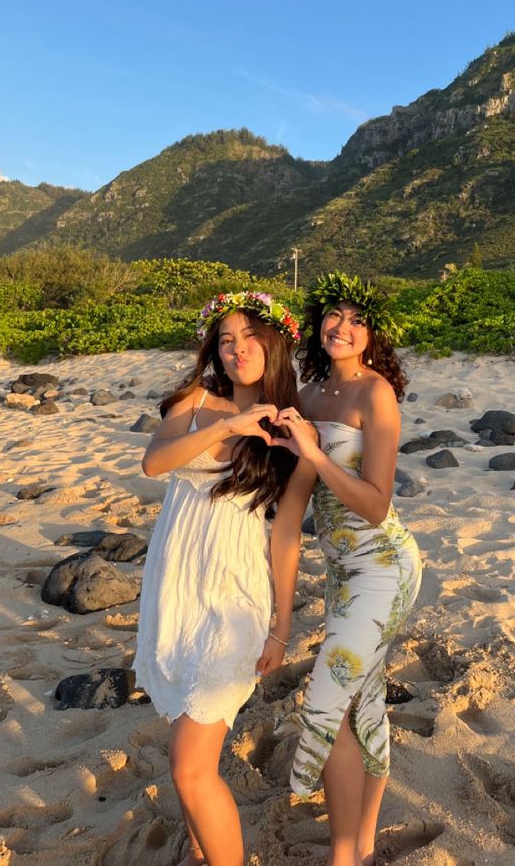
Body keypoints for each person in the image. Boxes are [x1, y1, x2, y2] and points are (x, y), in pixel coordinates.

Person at [133, 291, 315, 866]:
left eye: (250, 336)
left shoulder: (292, 430)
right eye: (226, 338)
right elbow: (155, 462)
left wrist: (281, 629)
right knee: (183, 754)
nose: (237, 349)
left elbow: (287, 536)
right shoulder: (195, 399)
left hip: (232, 595)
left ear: (275, 342)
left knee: (190, 767)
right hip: (175, 587)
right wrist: (231, 423)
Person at [272, 273, 422, 866]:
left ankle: (342, 857)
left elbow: (376, 502)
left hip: (385, 564)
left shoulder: (374, 394)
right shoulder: (308, 397)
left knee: (327, 702)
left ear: (371, 336)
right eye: (334, 316)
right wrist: (293, 452)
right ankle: (361, 843)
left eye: (357, 320)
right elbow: (296, 494)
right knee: (364, 700)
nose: (342, 327)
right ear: (317, 325)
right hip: (341, 573)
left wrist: (312, 453)